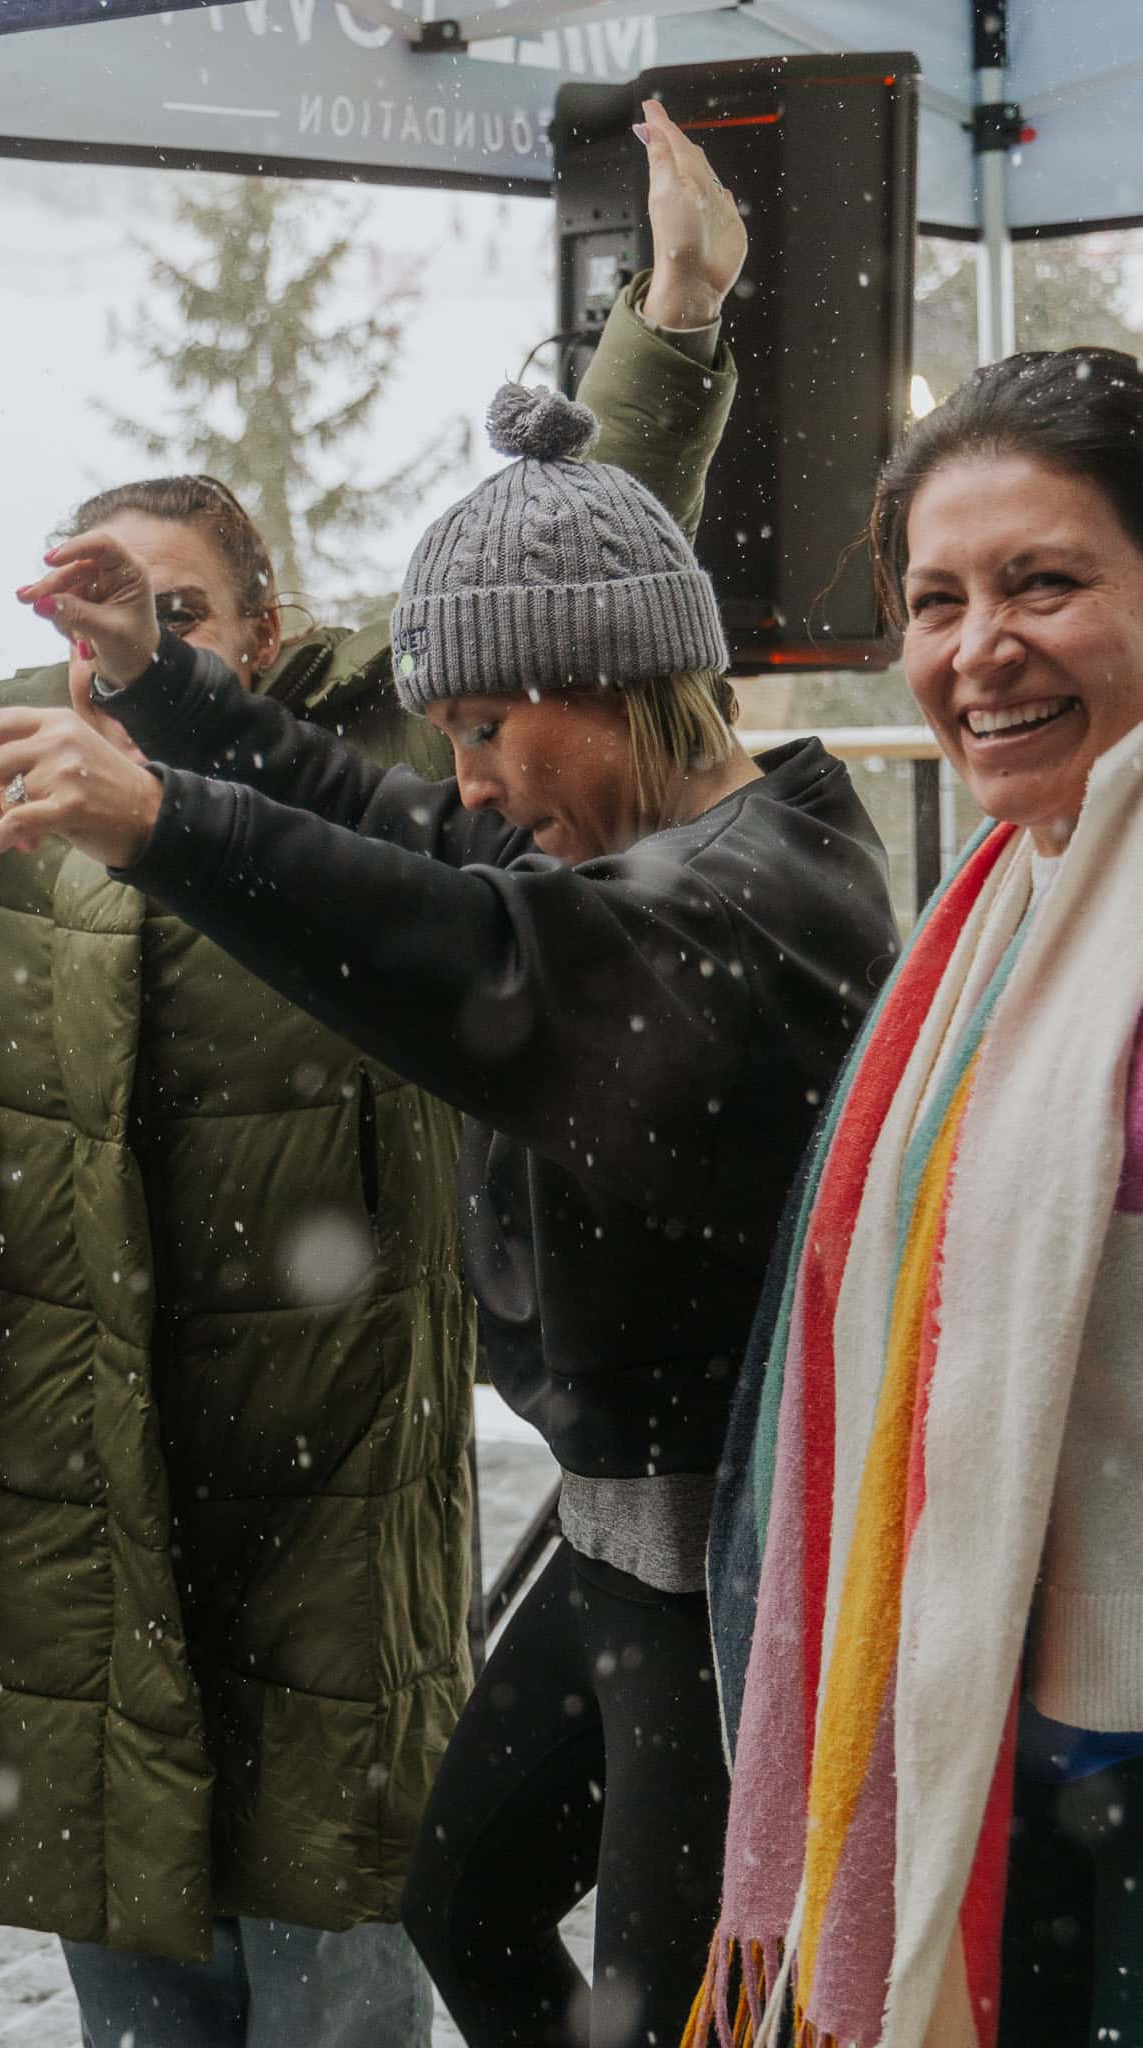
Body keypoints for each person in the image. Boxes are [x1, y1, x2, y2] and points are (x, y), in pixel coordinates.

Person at [0, 102, 746, 2046]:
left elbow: (577, 598)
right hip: (97, 1510)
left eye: (178, 613)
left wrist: (670, 325)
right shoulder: (28, 797)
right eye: (98, 616)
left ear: (267, 632)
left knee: (340, 1977)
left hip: (325, 1506)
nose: (133, 648)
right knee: (132, 1987)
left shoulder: (395, 829)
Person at [0, 365, 899, 2045]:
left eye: (487, 732)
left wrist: (172, 821)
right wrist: (172, 695)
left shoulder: (754, 895)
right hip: (616, 1535)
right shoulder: (614, 847)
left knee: (684, 2011)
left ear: (606, 678)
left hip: (731, 1574)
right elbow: (409, 836)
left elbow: (470, 959)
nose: (471, 784)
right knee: (461, 1893)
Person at [688, 346, 1143, 2048]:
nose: (978, 650)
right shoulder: (1003, 909)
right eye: (938, 600)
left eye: (1046, 581)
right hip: (1024, 1732)